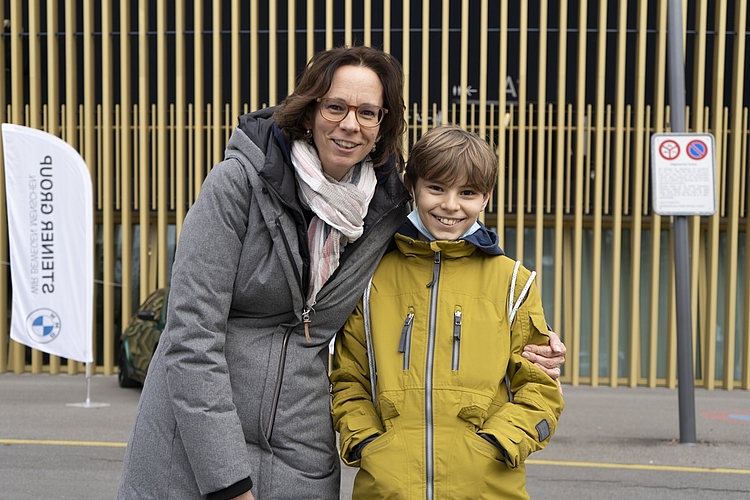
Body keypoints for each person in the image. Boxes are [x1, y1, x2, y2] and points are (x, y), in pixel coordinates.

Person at [117, 46, 565, 500]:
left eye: (367, 112)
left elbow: (449, 264)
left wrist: (524, 331)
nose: (350, 124)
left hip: (300, 452)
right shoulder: (238, 185)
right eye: (336, 106)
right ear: (310, 111)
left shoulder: (385, 209)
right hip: (198, 444)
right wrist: (228, 482)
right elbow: (190, 338)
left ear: (381, 126)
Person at [330, 125, 565, 499]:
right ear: (412, 186)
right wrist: (367, 443)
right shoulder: (371, 276)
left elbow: (539, 388)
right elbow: (348, 378)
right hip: (388, 487)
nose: (450, 205)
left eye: (467, 192)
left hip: (487, 488)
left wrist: (498, 445)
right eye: (436, 188)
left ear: (486, 197)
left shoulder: (513, 282)